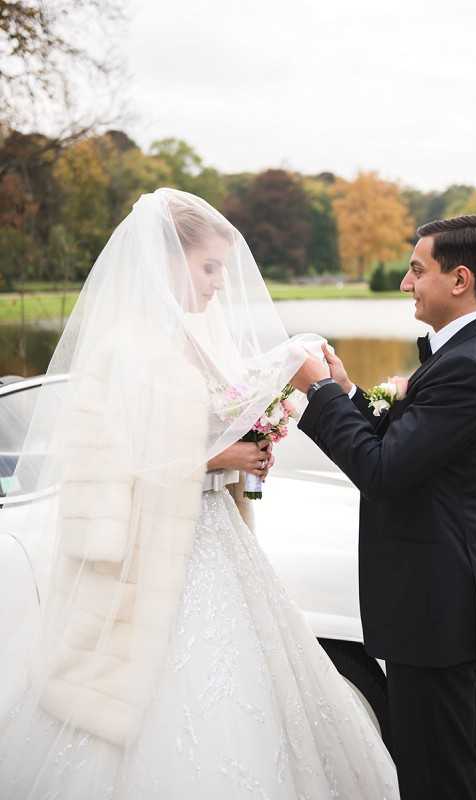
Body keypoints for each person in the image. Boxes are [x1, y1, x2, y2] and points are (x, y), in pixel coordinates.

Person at [0, 188, 400, 799]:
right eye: (208, 266)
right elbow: (113, 460)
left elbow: (210, 413)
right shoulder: (121, 346)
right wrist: (221, 455)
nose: (218, 283)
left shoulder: (190, 340)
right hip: (157, 556)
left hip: (212, 537)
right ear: (166, 262)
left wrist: (258, 424)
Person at [291, 215, 476, 800]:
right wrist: (346, 394)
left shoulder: (468, 365)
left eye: (417, 269)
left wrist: (316, 393)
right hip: (430, 596)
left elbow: (383, 472)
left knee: (438, 773)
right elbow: (407, 444)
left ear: (460, 279)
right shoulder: (463, 355)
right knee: (445, 761)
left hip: (435, 598)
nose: (404, 283)